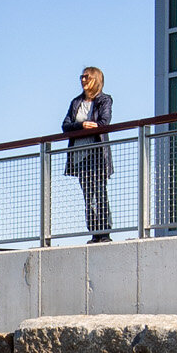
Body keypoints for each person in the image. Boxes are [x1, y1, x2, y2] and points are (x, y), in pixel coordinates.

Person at [62, 66, 114, 240]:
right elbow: (66, 125)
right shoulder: (76, 102)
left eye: (86, 77)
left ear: (95, 79)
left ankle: (104, 232)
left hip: (97, 154)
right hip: (80, 156)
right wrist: (82, 125)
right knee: (88, 196)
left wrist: (92, 125)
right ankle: (94, 233)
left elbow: (104, 122)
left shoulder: (104, 100)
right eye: (81, 77)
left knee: (99, 192)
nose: (83, 80)